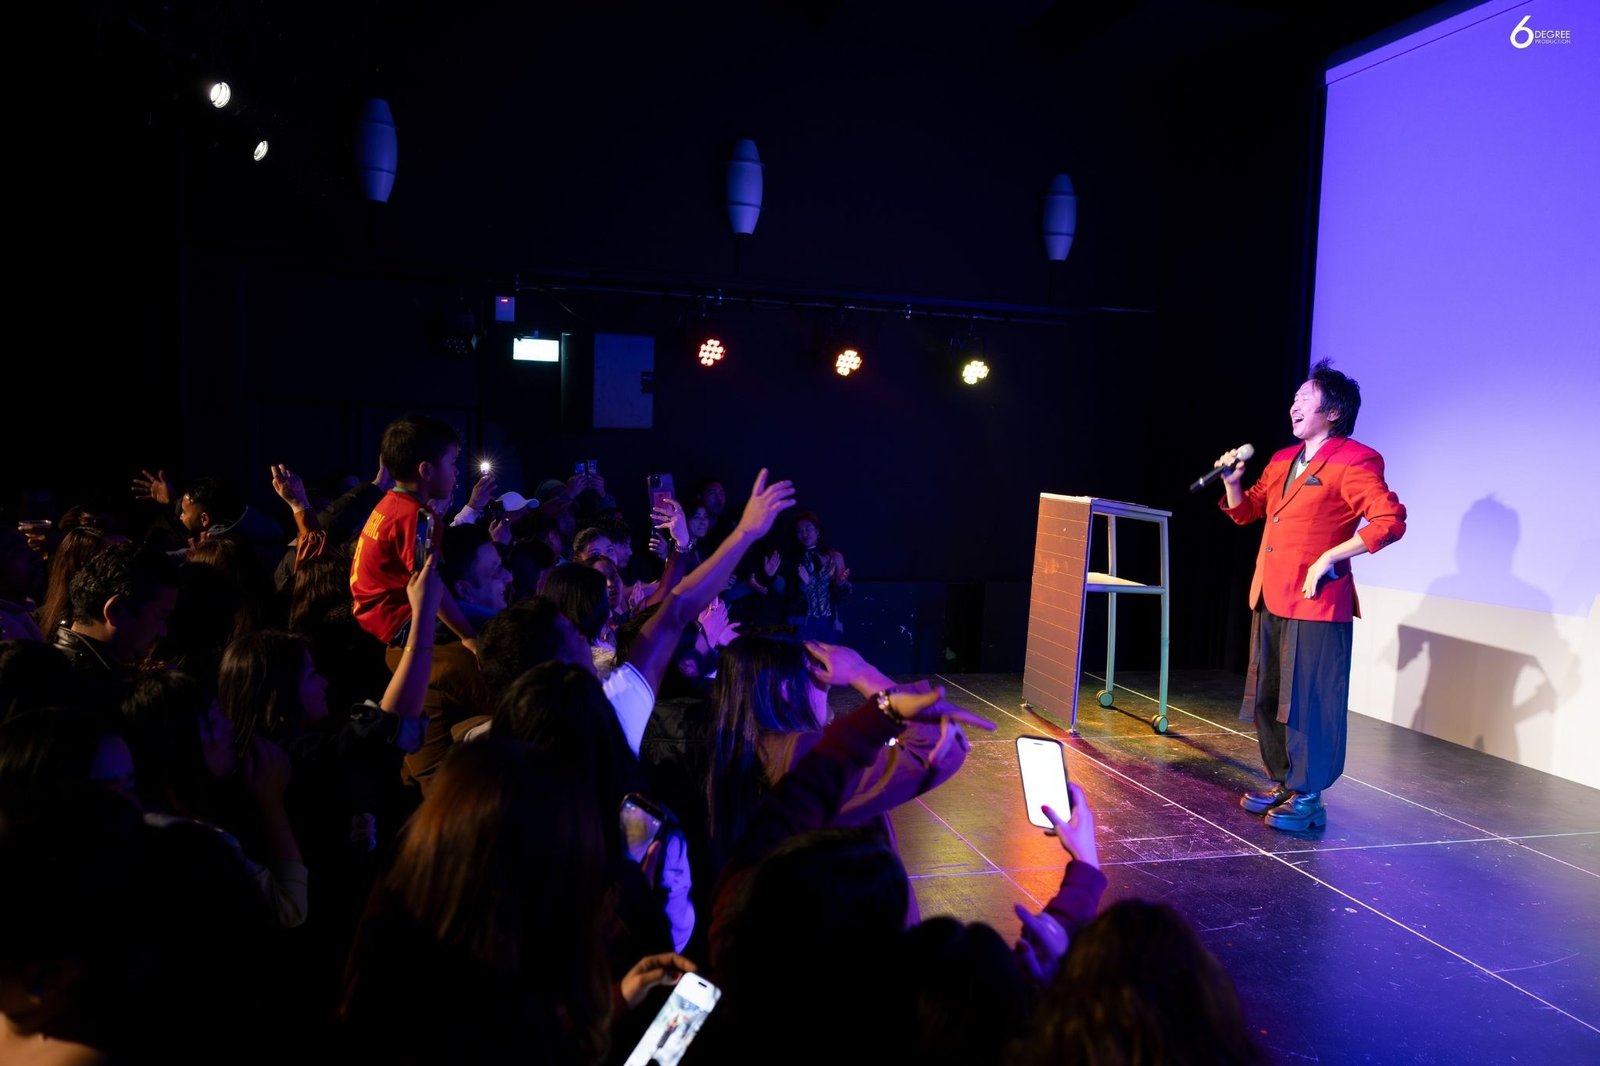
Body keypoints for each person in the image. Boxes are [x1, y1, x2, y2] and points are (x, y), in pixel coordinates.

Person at [1215, 358, 1406, 831]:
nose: (1294, 405)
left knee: (1308, 703)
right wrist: (1234, 483)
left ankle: (1310, 796)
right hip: (1270, 594)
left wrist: (1330, 557)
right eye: (1294, 398)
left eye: (1305, 398)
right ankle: (1284, 780)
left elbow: (1389, 521)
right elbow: (1248, 511)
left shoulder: (1355, 460)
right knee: (1269, 696)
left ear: (1333, 411)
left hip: (1316, 602)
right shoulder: (1283, 460)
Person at [349, 413, 480, 654]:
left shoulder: (389, 503)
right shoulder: (418, 517)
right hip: (396, 619)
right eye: (452, 463)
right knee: (495, 623)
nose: (456, 472)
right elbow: (429, 587)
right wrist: (468, 636)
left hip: (373, 615)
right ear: (426, 470)